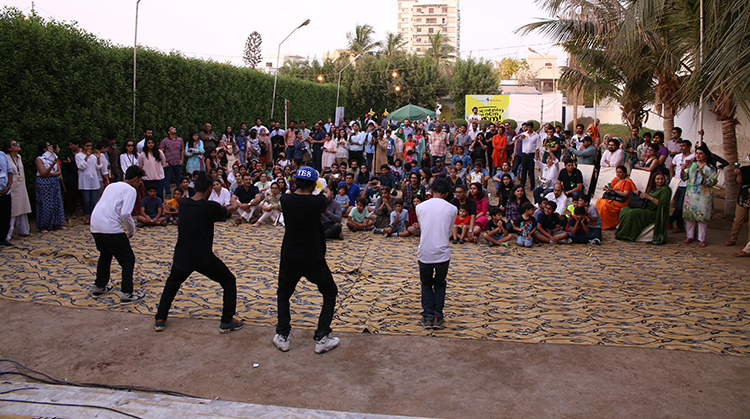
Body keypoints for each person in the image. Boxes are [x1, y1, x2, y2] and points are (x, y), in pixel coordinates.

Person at [154, 172, 242, 333]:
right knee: (229, 281)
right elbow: (229, 210)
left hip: (182, 254)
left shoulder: (185, 203)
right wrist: (235, 202)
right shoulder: (210, 207)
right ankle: (227, 320)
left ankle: (160, 318)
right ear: (209, 189)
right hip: (203, 257)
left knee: (172, 284)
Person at [272, 166, 340, 354]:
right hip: (313, 256)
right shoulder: (318, 201)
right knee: (329, 292)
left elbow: (302, 195)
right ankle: (321, 337)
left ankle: (283, 335)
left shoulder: (285, 199)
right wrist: (322, 187)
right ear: (313, 184)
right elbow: (327, 194)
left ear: (295, 182)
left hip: (290, 255)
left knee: (284, 293)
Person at [90, 166, 146, 304]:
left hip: (95, 225)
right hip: (111, 227)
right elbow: (125, 213)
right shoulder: (131, 190)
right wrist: (131, 230)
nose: (140, 183)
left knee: (105, 254)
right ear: (135, 179)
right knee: (128, 260)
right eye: (140, 180)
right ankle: (127, 293)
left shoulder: (111, 186)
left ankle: (100, 286)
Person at [416, 179, 457, 329]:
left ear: (431, 191)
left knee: (426, 284)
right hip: (442, 252)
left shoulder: (420, 207)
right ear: (446, 194)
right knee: (439, 284)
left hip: (425, 251)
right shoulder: (452, 208)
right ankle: (437, 315)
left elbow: (423, 226)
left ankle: (427, 316)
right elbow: (449, 230)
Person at [615, 171, 672, 244]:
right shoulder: (654, 189)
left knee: (633, 213)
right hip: (646, 207)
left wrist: (649, 197)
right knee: (626, 209)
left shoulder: (665, 189)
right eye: (658, 179)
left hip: (654, 211)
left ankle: (628, 235)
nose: (660, 181)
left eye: (662, 179)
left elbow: (662, 204)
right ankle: (622, 231)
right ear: (654, 180)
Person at [681, 143, 718, 247]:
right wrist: (683, 170)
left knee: (702, 218)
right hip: (691, 193)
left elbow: (713, 182)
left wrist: (703, 175)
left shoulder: (710, 168)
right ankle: (689, 236)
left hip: (704, 195)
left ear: (705, 155)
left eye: (701, 153)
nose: (698, 155)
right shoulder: (691, 165)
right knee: (689, 217)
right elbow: (684, 178)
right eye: (697, 153)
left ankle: (702, 238)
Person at [34, 141, 66, 233]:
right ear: (44, 149)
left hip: (54, 181)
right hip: (44, 183)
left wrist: (51, 173)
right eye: (48, 146)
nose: (51, 147)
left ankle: (57, 223)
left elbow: (59, 172)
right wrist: (51, 168)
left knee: (57, 202)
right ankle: (43, 225)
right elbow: (43, 173)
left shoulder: (54, 157)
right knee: (45, 204)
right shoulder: (40, 159)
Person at [4, 140, 31, 240]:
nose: (17, 145)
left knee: (23, 207)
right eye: (14, 144)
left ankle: (24, 230)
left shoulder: (19, 157)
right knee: (13, 210)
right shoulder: (6, 158)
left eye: (17, 143)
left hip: (21, 185)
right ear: (8, 148)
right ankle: (7, 234)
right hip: (13, 186)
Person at [595, 165, 636, 230]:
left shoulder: (627, 182)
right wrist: (607, 189)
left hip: (622, 201)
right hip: (614, 198)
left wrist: (614, 190)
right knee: (599, 200)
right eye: (617, 172)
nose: (618, 174)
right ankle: (599, 222)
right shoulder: (616, 179)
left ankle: (609, 223)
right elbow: (610, 188)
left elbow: (625, 194)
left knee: (604, 204)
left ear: (624, 173)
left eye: (620, 172)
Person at [76, 138, 104, 225]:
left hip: (94, 179)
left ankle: (93, 217)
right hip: (85, 180)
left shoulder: (93, 156)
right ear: (83, 146)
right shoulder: (78, 156)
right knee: (86, 199)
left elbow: (98, 167)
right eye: (87, 146)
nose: (89, 148)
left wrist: (98, 158)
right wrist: (87, 156)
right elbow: (81, 166)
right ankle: (87, 216)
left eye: (90, 146)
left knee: (94, 199)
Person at [725, 152, 750, 246]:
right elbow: (739, 182)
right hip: (743, 197)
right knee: (737, 220)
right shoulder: (745, 169)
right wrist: (739, 174)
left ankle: (748, 244)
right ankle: (733, 238)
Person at [670, 140, 694, 234]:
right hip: (677, 183)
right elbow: (672, 166)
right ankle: (680, 226)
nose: (681, 148)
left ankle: (670, 220)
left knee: (680, 206)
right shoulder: (677, 156)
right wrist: (672, 177)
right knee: (677, 205)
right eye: (680, 146)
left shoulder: (693, 157)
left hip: (687, 184)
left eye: (683, 146)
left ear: (689, 147)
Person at [161, 126, 184, 195]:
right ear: (168, 132)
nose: (174, 129)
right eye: (172, 129)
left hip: (178, 162)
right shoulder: (164, 141)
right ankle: (168, 193)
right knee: (167, 179)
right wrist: (164, 162)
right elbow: (161, 152)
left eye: (174, 128)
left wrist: (182, 160)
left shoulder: (180, 140)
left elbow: (182, 150)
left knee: (179, 178)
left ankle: (179, 192)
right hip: (169, 163)